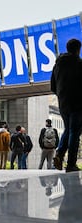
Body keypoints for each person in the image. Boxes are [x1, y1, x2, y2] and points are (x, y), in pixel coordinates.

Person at [51, 38, 82, 173]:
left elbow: (52, 86)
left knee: (69, 129)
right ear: (78, 49)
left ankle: (59, 154)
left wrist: (61, 94)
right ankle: (71, 163)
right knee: (75, 132)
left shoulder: (57, 65)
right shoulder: (79, 63)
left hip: (63, 103)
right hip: (78, 102)